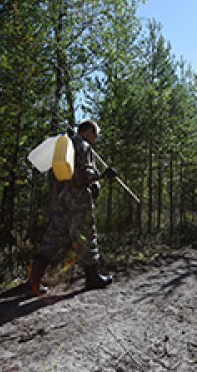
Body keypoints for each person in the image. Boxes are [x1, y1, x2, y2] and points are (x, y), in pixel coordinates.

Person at [28, 120, 117, 296]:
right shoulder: (83, 146)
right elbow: (83, 175)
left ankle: (34, 282)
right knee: (86, 237)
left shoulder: (63, 147)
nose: (96, 139)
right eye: (96, 135)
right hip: (78, 203)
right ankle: (93, 278)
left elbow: (54, 177)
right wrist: (103, 175)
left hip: (59, 203)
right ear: (89, 131)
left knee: (51, 240)